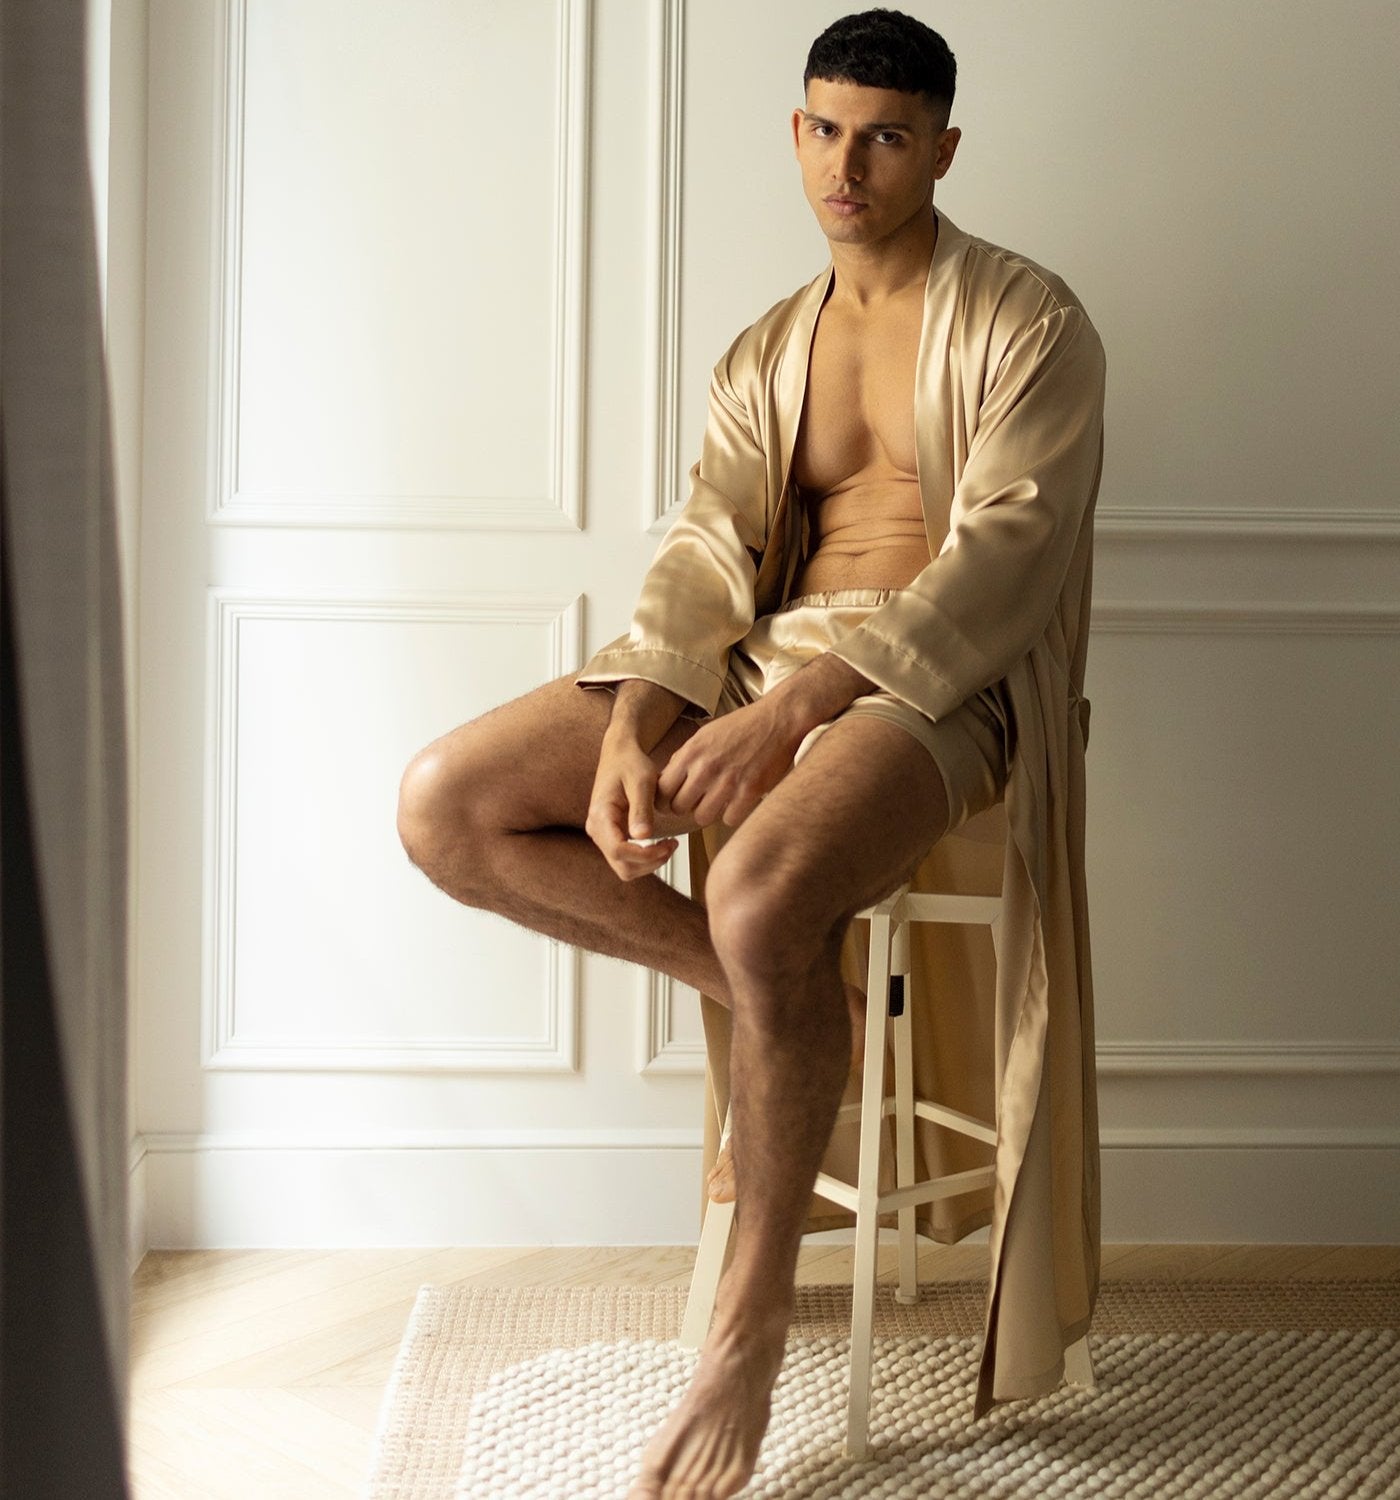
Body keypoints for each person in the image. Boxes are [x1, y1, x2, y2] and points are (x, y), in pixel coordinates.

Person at [398, 9, 1105, 1495]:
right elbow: (708, 554)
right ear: (796, 132)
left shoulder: (1030, 319)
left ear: (943, 149)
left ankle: (749, 1326)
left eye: (888, 136)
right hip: (755, 657)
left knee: (769, 887)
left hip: (939, 690)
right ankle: (778, 997)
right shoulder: (765, 349)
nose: (850, 164)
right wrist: (645, 720)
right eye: (825, 128)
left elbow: (1002, 564)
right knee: (447, 804)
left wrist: (792, 715)